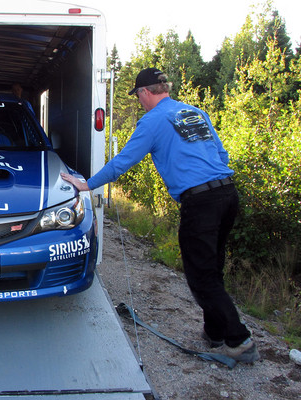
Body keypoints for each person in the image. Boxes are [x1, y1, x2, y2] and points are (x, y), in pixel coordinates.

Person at [61, 68, 259, 364]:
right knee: (212, 266)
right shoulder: (194, 112)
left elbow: (123, 161)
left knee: (201, 274)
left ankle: (239, 340)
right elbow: (221, 154)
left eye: (138, 96)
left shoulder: (152, 121)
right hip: (227, 194)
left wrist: (86, 184)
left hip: (200, 200)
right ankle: (215, 331)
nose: (139, 101)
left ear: (145, 92)